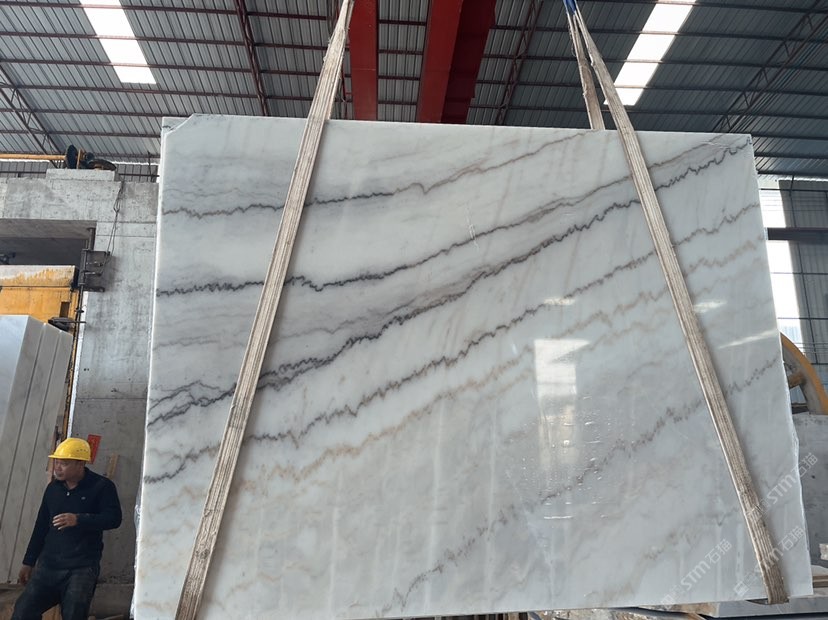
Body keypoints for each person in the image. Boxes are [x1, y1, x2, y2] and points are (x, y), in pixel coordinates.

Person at [12, 437, 122, 620]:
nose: (57, 467)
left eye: (64, 463)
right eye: (56, 462)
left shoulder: (102, 487)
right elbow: (41, 527)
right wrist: (28, 562)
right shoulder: (53, 489)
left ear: (80, 464)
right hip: (49, 567)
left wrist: (79, 519)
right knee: (23, 612)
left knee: (73, 615)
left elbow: (114, 519)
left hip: (81, 569)